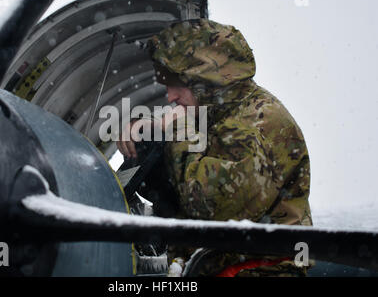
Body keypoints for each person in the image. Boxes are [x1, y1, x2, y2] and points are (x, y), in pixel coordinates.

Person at [117, 18, 312, 276]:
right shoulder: (220, 114)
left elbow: (209, 208)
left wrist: (177, 128)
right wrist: (149, 130)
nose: (170, 96)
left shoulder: (259, 121)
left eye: (177, 82)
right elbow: (178, 194)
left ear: (204, 79)